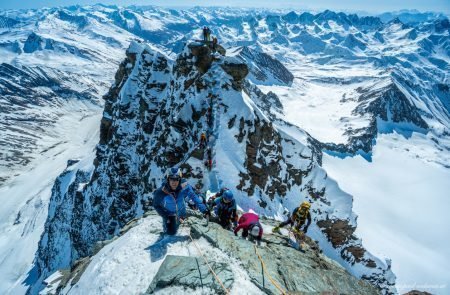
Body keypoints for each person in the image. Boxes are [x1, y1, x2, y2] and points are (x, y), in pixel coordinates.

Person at [153, 167, 209, 235]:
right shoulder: (161, 191)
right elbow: (156, 205)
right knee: (170, 233)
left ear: (180, 179)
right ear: (168, 179)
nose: (174, 182)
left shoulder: (185, 187)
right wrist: (165, 216)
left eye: (176, 179)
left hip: (182, 212)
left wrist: (204, 209)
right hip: (170, 215)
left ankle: (183, 216)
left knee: (196, 217)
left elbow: (194, 197)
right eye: (171, 179)